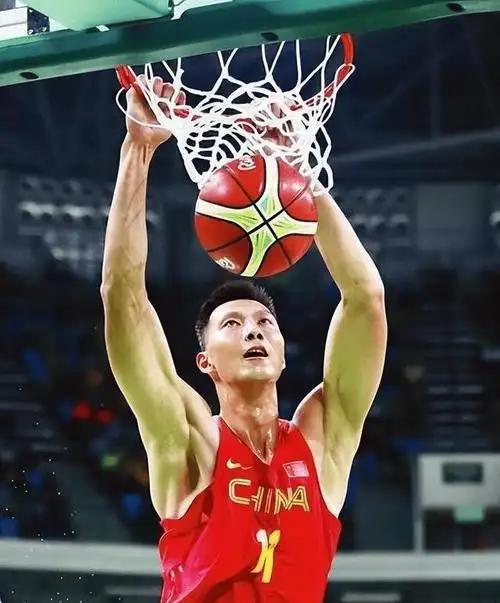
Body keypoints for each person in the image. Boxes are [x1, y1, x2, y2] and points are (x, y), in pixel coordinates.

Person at [100, 76, 388, 603]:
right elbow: (124, 296)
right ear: (205, 361)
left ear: (281, 354)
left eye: (264, 323)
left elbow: (364, 297)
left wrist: (296, 174)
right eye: (231, 324)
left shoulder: (323, 441)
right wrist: (137, 149)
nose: (253, 328)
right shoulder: (189, 439)